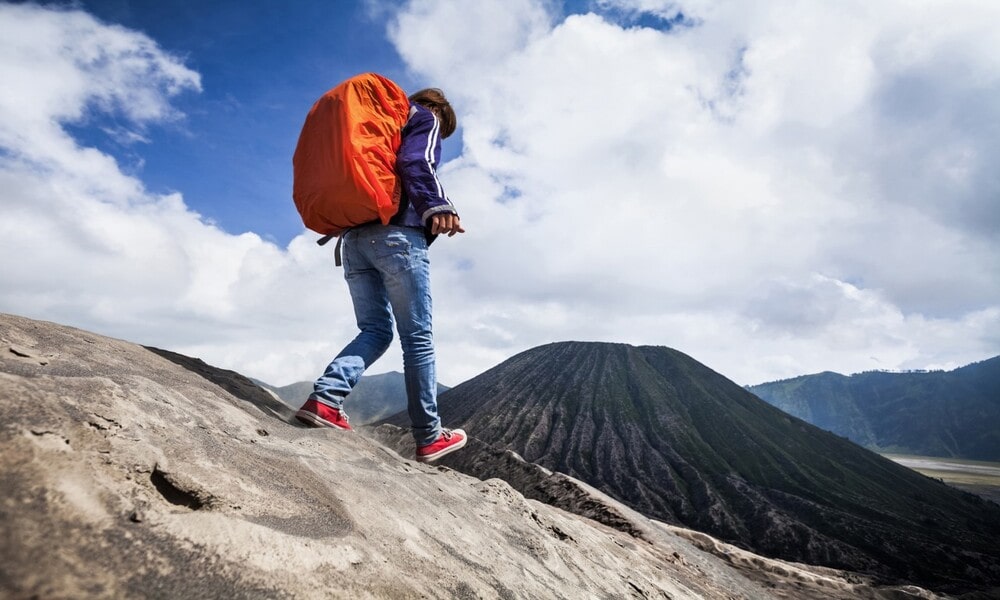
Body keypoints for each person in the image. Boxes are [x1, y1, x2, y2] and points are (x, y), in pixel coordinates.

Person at [295, 87, 468, 464]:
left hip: (353, 238)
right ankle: (429, 436)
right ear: (440, 114)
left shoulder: (377, 125)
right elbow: (415, 161)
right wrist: (437, 204)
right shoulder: (425, 117)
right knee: (417, 337)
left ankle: (325, 399)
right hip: (396, 237)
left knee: (374, 330)